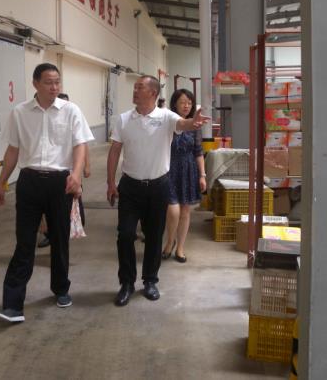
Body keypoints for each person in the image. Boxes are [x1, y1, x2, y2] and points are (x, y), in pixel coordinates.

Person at [0, 64, 94, 323]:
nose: (54, 87)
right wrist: (2, 181)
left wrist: (76, 174)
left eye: (57, 82)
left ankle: (61, 288)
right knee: (24, 241)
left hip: (61, 182)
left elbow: (80, 144)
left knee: (60, 239)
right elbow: (13, 150)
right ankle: (12, 305)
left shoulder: (71, 110)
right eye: (49, 82)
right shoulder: (20, 112)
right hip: (29, 181)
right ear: (35, 84)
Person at [106, 75, 209, 306]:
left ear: (153, 93)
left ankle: (150, 281)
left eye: (139, 87)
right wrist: (110, 182)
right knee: (125, 235)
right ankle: (126, 283)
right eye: (134, 87)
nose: (134, 91)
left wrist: (193, 122)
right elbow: (114, 151)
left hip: (158, 186)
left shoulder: (166, 117)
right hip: (130, 186)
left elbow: (183, 124)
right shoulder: (123, 119)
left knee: (154, 236)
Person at [37, 93, 90, 248]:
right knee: (48, 212)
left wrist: (86, 166)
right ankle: (52, 236)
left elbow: (83, 145)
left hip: (72, 175)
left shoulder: (73, 117)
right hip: (53, 176)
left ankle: (60, 236)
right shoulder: (46, 125)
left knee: (77, 213)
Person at [162, 89, 206, 264]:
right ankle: (169, 241)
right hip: (169, 169)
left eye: (189, 102)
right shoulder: (168, 123)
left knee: (185, 210)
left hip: (188, 170)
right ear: (175, 104)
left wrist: (202, 175)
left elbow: (198, 151)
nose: (186, 106)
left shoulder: (195, 126)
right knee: (172, 209)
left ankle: (180, 247)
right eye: (182, 102)